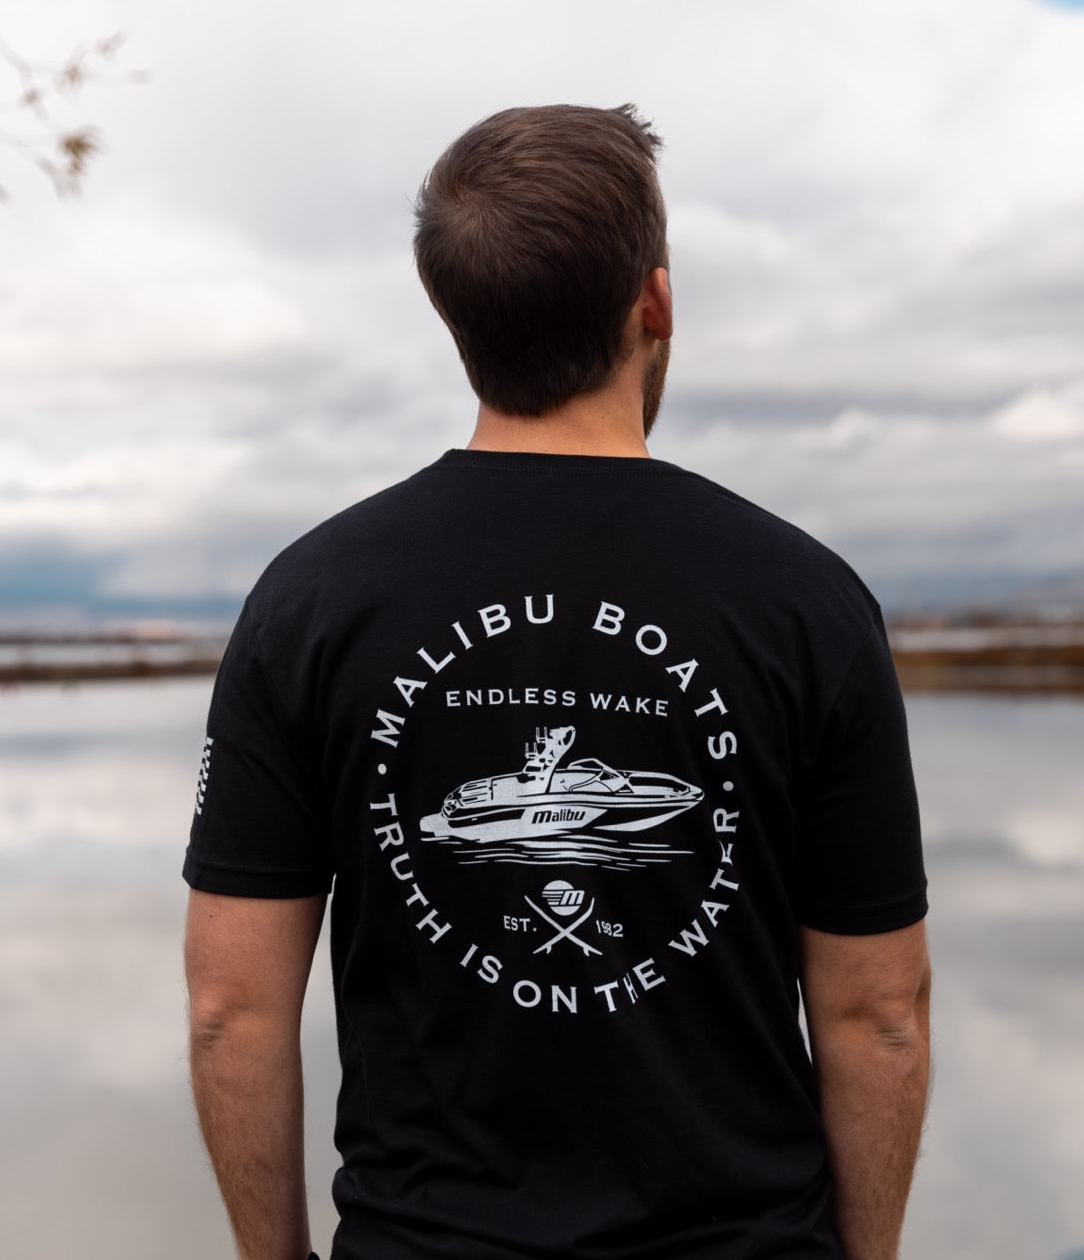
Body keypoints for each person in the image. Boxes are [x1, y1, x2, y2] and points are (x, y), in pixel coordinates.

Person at [183, 103, 931, 1260]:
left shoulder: (308, 600)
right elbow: (878, 1009)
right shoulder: (807, 602)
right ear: (656, 301)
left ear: (455, 315)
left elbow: (231, 1012)